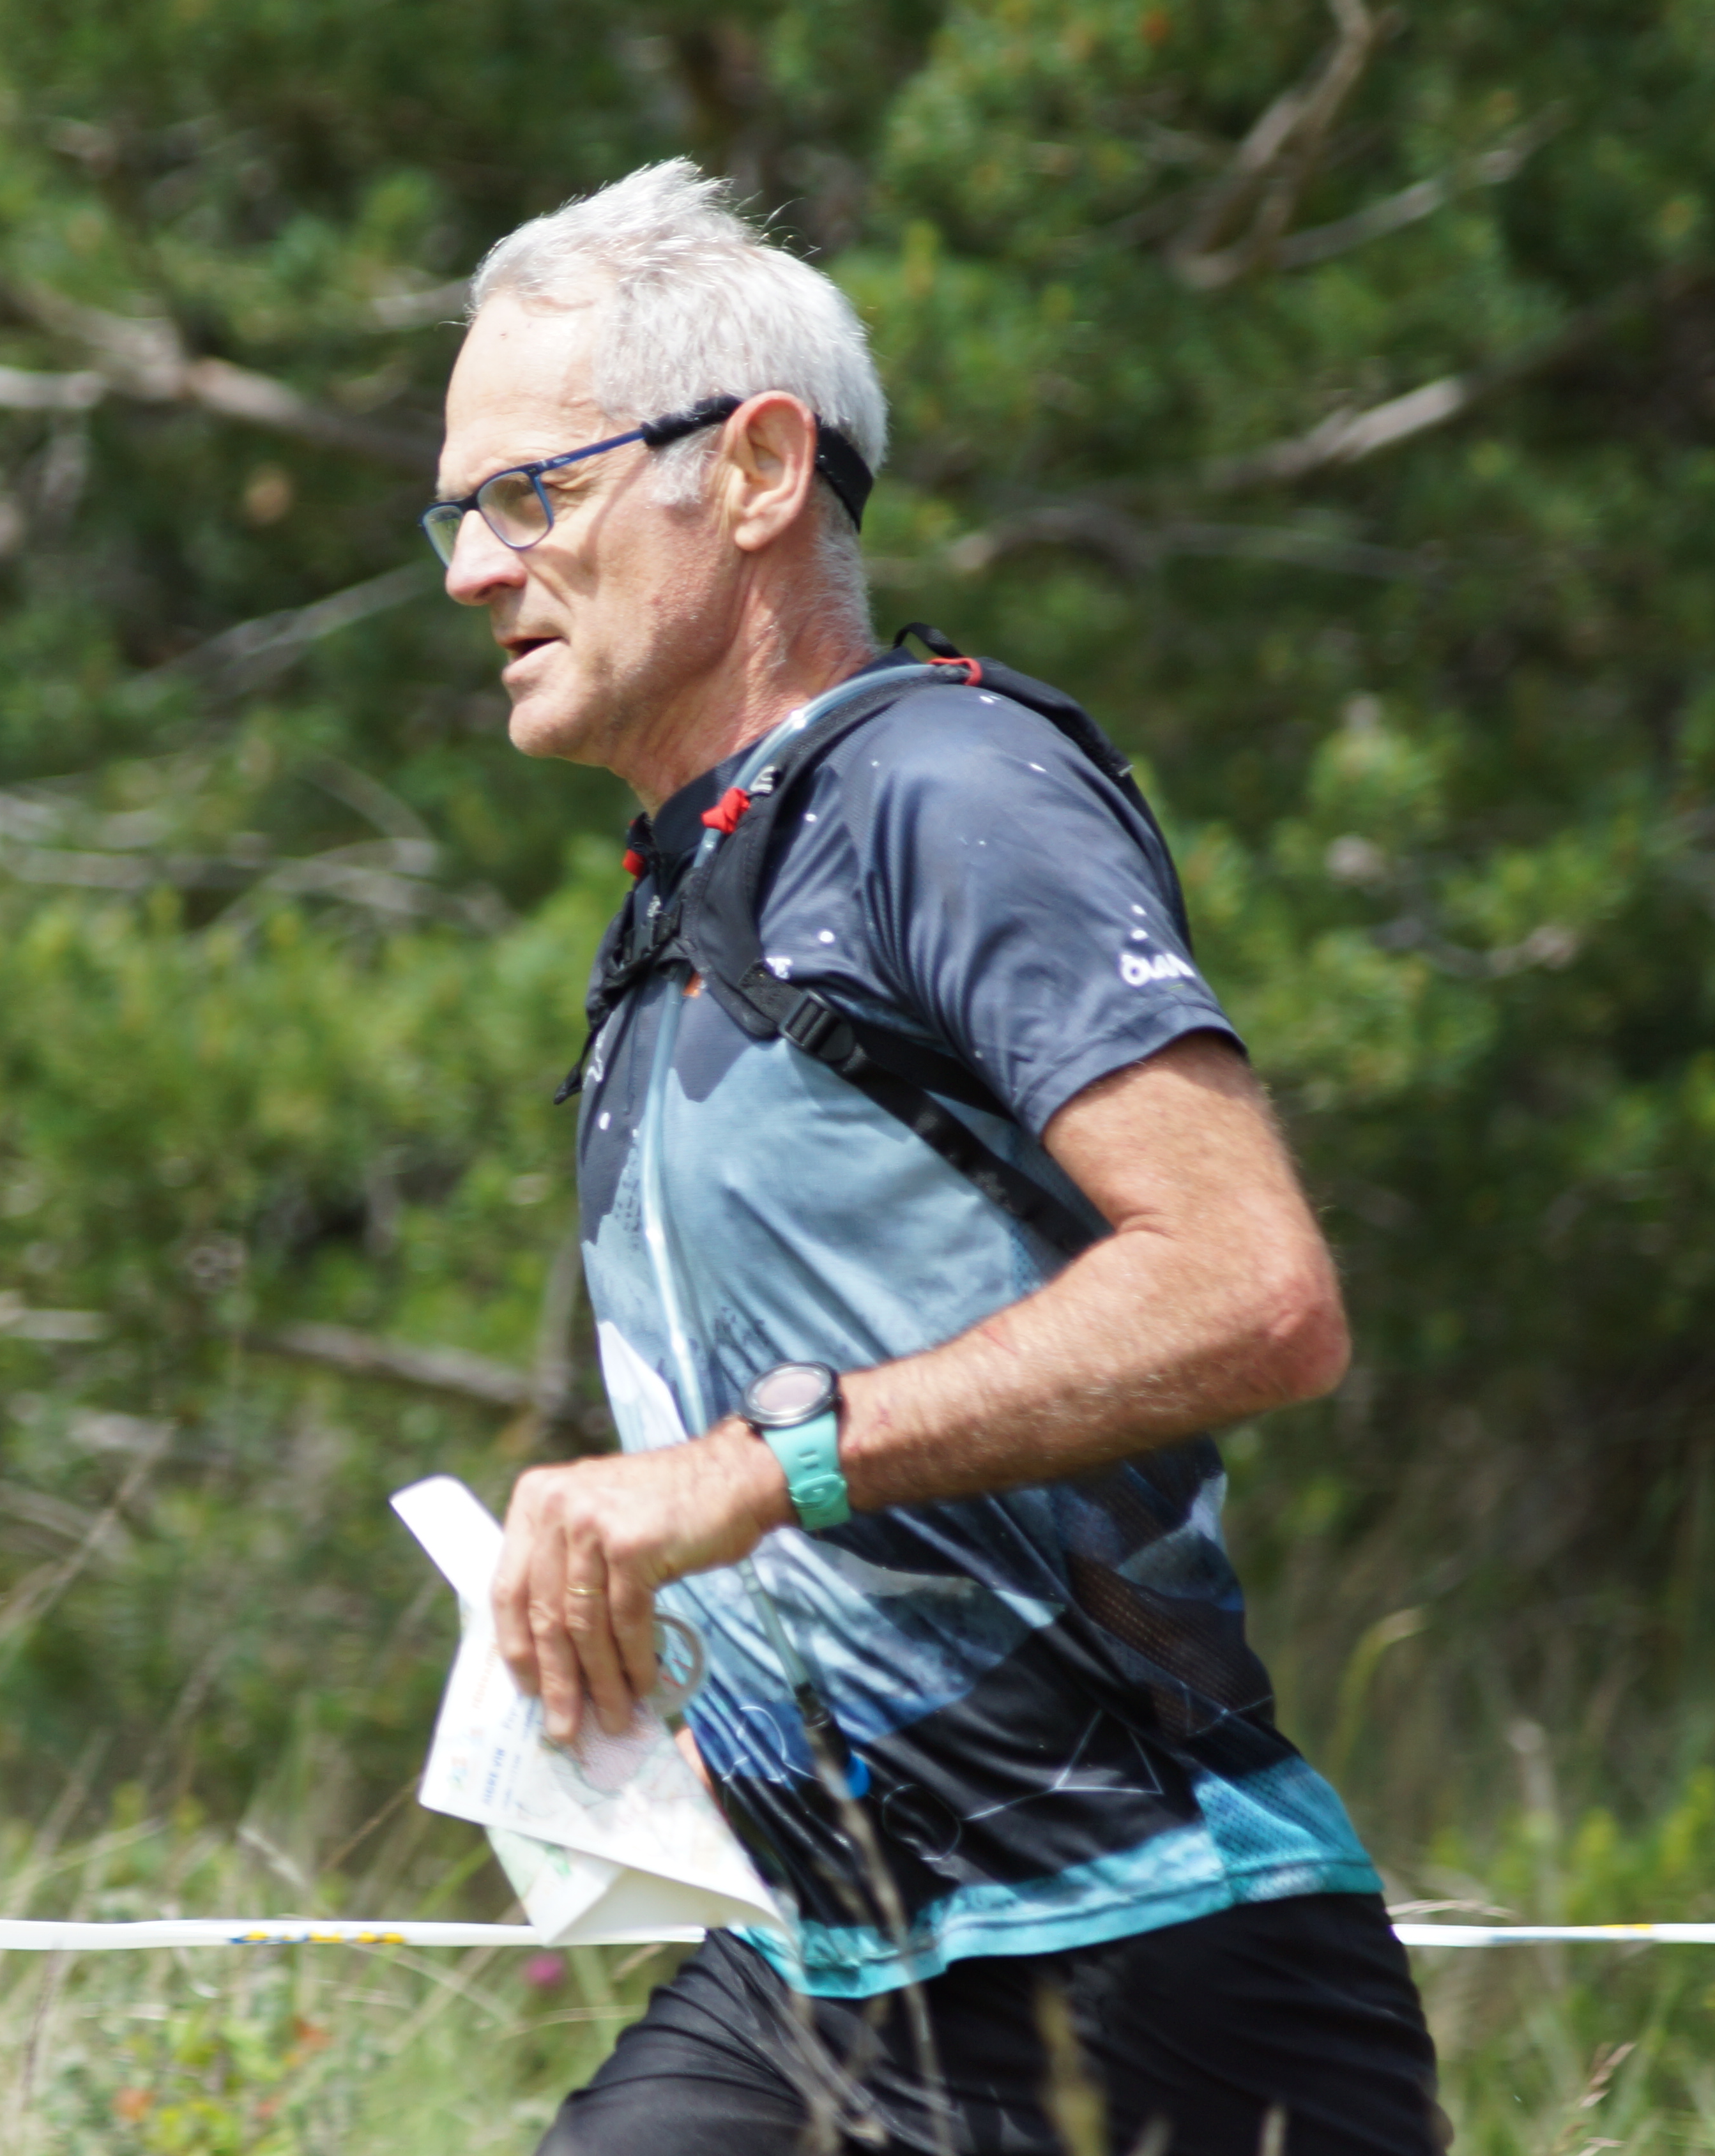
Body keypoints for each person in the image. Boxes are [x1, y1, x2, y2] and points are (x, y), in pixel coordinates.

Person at [429, 162, 1447, 2155]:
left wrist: (745, 1472)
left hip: (1152, 1966)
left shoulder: (947, 788)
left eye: (530, 494)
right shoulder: (690, 889)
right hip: (821, 1970)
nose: (475, 569)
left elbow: (1255, 1290)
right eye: (455, 513)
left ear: (756, 470)